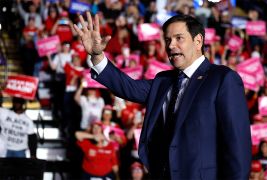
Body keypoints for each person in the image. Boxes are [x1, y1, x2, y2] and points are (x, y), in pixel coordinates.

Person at [74, 12, 251, 179]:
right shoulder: (163, 81)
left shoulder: (223, 79)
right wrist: (97, 56)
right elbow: (127, 88)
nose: (171, 45)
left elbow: (237, 146)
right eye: (167, 40)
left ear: (198, 41)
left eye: (178, 38)